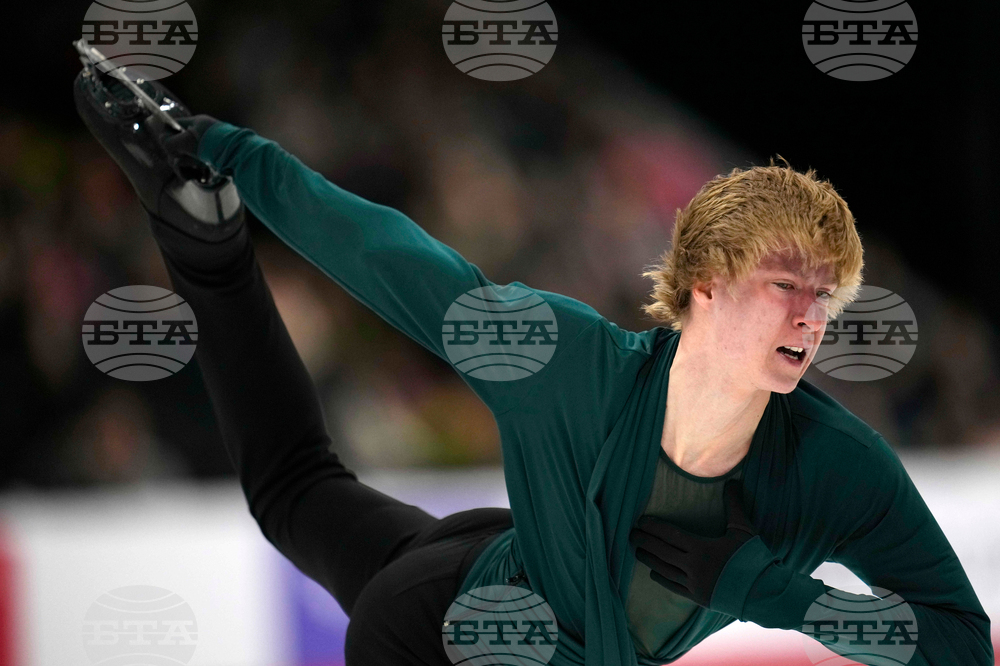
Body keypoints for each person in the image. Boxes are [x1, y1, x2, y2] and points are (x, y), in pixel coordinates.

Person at [73, 64, 993, 666]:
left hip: (477, 556)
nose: (810, 314)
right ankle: (200, 208)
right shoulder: (565, 365)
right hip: (435, 639)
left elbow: (960, 639)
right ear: (706, 282)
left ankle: (200, 240)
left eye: (825, 295)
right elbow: (392, 258)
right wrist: (228, 149)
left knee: (295, 491)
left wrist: (779, 596)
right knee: (299, 496)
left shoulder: (834, 468)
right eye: (787, 283)